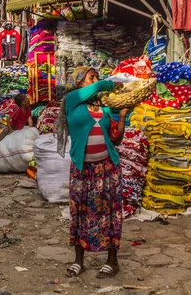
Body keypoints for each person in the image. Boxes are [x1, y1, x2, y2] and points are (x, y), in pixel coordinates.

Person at [57, 67, 127, 279]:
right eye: (92, 77)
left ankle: (112, 260)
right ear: (79, 82)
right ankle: (79, 260)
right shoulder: (71, 101)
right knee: (79, 212)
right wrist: (107, 83)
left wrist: (122, 116)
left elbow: (116, 139)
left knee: (110, 213)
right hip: (82, 170)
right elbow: (99, 87)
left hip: (107, 168)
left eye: (97, 77)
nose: (96, 80)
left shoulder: (104, 108)